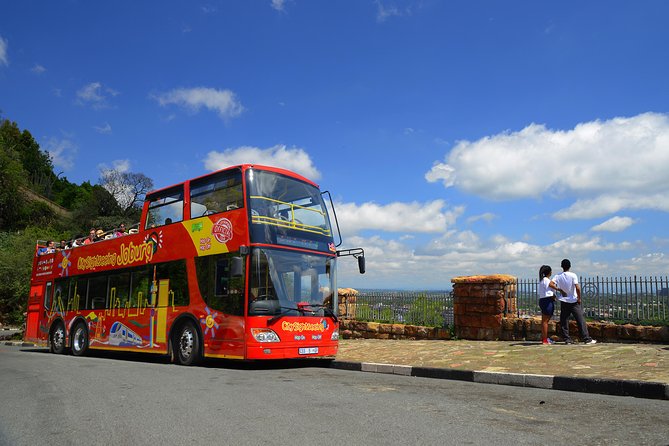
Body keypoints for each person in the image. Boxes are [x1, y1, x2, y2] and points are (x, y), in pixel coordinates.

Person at [553, 259, 597, 344]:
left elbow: (551, 284)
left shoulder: (558, 276)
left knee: (564, 320)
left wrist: (559, 289)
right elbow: (577, 287)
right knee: (580, 320)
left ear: (562, 266)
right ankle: (586, 338)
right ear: (570, 266)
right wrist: (579, 298)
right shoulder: (573, 275)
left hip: (564, 300)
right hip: (573, 301)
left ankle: (567, 339)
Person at [538, 265, 565, 345]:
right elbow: (551, 285)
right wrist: (560, 290)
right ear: (549, 272)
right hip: (547, 301)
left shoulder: (542, 280)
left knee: (544, 321)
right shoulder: (546, 280)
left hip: (543, 300)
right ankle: (545, 340)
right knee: (545, 322)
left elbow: (547, 290)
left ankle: (544, 339)